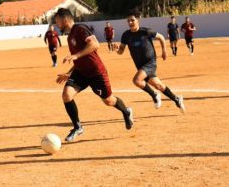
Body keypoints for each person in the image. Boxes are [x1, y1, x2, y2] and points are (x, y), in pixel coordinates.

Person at [54, 8, 133, 142]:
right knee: (67, 95)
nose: (57, 24)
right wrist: (69, 73)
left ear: (65, 19)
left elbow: (95, 44)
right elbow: (79, 58)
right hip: (81, 72)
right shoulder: (69, 37)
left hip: (96, 72)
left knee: (108, 101)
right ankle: (77, 127)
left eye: (58, 21)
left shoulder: (80, 29)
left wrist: (75, 55)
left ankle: (126, 111)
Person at [114, 10, 185, 112]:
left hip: (150, 63)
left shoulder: (145, 31)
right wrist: (117, 49)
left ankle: (154, 94)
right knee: (159, 85)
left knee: (136, 80)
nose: (130, 23)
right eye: (128, 21)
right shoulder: (126, 35)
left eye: (132, 20)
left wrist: (164, 51)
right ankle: (177, 99)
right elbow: (121, 51)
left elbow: (160, 37)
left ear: (138, 20)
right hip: (140, 66)